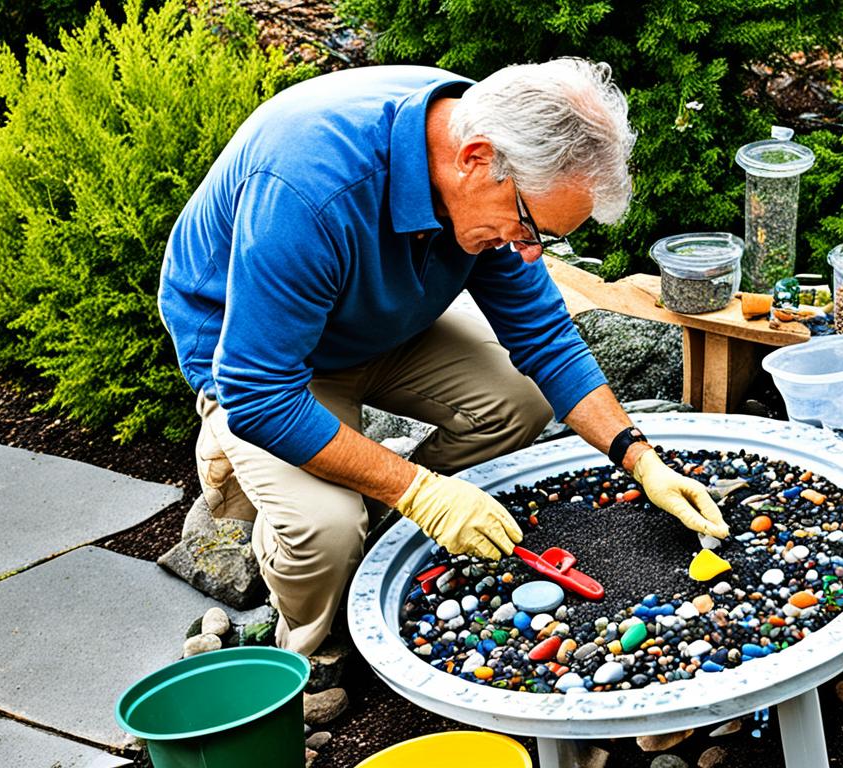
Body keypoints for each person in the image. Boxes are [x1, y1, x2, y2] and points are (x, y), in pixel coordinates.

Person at [158, 59, 729, 656]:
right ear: (476, 159)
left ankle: (384, 522)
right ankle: (307, 648)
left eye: (548, 239)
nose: (532, 255)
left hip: (381, 318)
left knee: (518, 399)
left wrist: (639, 459)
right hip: (258, 357)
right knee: (324, 530)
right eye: (528, 227)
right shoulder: (308, 186)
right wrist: (421, 492)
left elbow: (545, 336)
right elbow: (261, 394)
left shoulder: (485, 145)